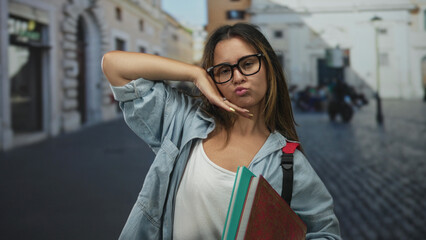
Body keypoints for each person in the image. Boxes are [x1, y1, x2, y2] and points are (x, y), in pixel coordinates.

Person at [102, 23, 341, 240]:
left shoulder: (288, 163)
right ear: (213, 78)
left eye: (248, 64)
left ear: (268, 67)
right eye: (224, 70)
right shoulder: (183, 122)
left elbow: (326, 233)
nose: (237, 77)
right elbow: (114, 65)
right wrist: (194, 73)